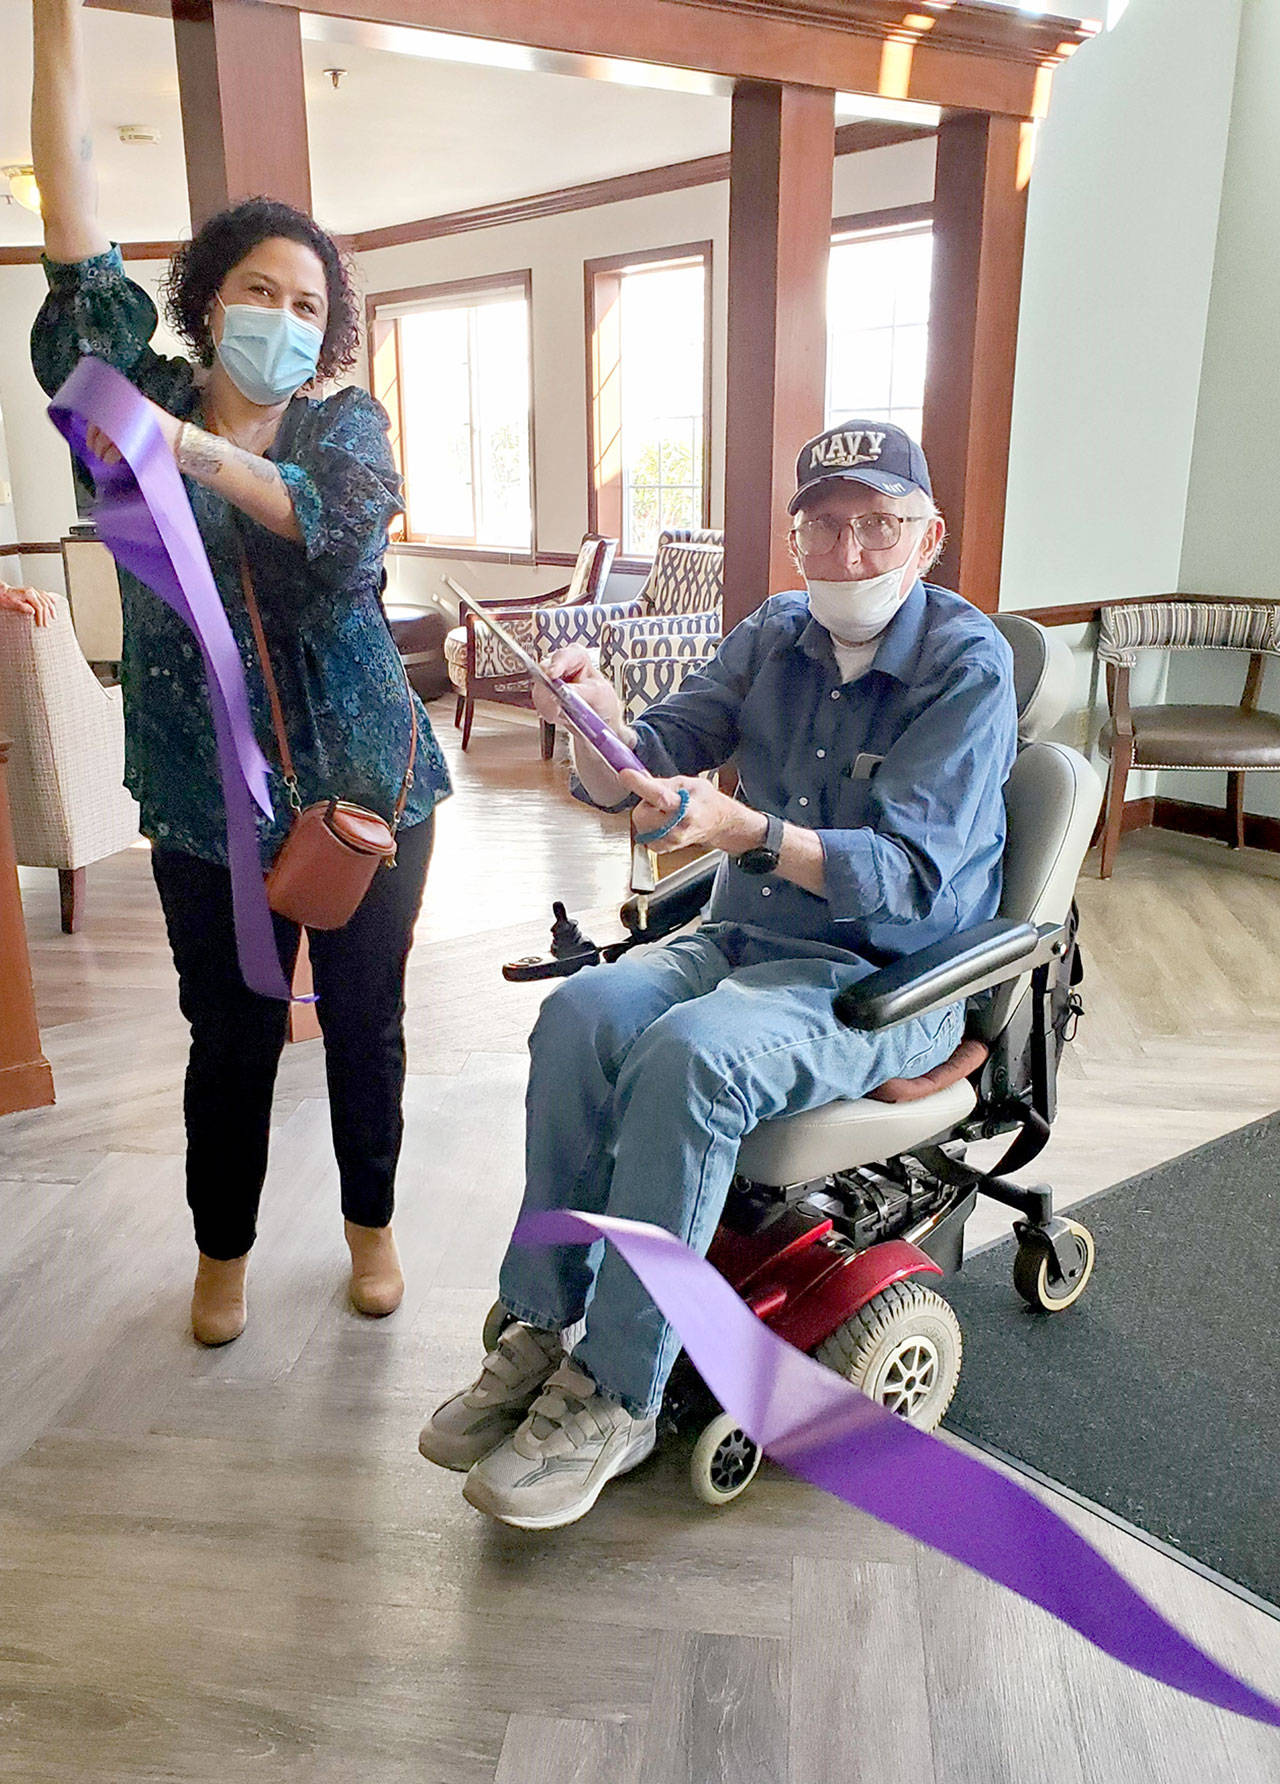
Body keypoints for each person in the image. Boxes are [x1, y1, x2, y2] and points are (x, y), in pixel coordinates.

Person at [419, 419, 1017, 1529]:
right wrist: (593, 722)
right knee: (579, 1014)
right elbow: (650, 757)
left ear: (925, 537)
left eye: (873, 523)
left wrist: (750, 829)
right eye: (821, 524)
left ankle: (618, 1393)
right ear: (794, 537)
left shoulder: (964, 664)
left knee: (690, 1060)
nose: (845, 552)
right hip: (739, 937)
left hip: (881, 976)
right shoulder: (773, 631)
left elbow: (910, 875)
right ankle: (543, 1323)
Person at [28, 0, 451, 1346]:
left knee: (369, 1029)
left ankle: (371, 1230)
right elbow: (71, 229)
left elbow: (331, 535)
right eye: (258, 288)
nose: (281, 314)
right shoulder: (127, 389)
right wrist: (51, 33)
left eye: (307, 301)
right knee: (232, 1037)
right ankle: (224, 1254)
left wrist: (186, 451)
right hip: (207, 803)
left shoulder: (343, 425)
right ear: (207, 297)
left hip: (368, 790)